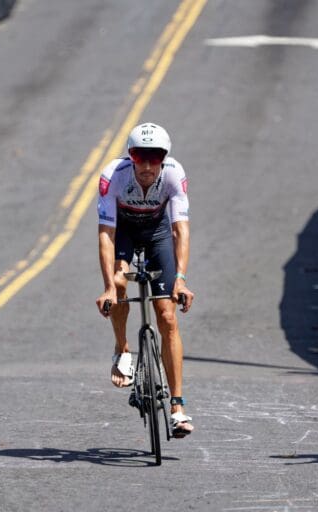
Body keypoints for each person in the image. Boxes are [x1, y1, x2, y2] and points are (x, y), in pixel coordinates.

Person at [95, 123, 195, 437]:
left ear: (164, 158)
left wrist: (180, 279)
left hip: (157, 234)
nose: (148, 165)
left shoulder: (174, 175)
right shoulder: (113, 177)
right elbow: (106, 235)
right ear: (131, 156)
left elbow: (180, 229)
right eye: (141, 156)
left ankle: (177, 408)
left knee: (167, 316)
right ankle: (123, 349)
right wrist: (109, 287)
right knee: (121, 282)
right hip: (123, 232)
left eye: (156, 157)